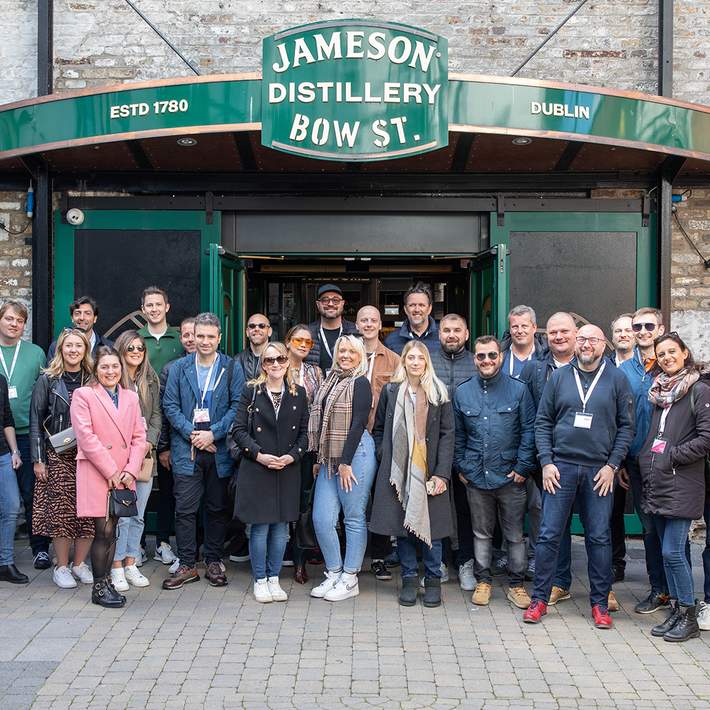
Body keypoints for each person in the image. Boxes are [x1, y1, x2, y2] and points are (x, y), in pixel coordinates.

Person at [523, 324, 634, 629]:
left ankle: (600, 604)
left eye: (593, 340)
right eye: (582, 339)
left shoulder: (617, 379)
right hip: (561, 468)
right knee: (548, 535)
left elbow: (626, 427)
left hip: (599, 470)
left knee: (599, 537)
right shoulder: (558, 377)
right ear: (576, 343)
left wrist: (612, 465)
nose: (586, 344)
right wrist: (546, 462)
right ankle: (540, 599)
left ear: (603, 345)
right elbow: (542, 421)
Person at [162, 312, 244, 590]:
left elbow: (237, 407)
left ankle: (213, 559)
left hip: (218, 450)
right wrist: (193, 435)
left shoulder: (231, 368)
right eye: (200, 336)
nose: (205, 341)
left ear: (219, 338)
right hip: (187, 450)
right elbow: (170, 406)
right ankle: (186, 563)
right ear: (192, 337)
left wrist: (214, 433)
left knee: (217, 507)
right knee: (185, 509)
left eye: (211, 336)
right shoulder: (178, 368)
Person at [454, 335, 536, 609]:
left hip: (511, 476)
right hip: (476, 476)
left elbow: (529, 430)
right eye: (481, 356)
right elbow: (458, 435)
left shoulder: (519, 390)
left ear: (500, 357)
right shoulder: (463, 391)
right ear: (474, 358)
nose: (486, 361)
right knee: (481, 533)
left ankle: (516, 584)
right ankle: (483, 581)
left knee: (514, 534)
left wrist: (523, 467)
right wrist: (462, 467)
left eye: (491, 355)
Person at [370, 341, 454, 607]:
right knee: (403, 529)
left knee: (433, 531)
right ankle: (407, 578)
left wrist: (442, 474)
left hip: (430, 471)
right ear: (404, 361)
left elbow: (447, 436)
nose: (415, 362)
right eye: (411, 357)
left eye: (420, 358)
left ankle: (431, 581)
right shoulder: (391, 391)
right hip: (398, 472)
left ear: (427, 362)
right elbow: (379, 427)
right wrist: (386, 456)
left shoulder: (440, 392)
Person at [638, 333, 710, 642]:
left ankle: (688, 616)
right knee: (669, 553)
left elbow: (706, 438)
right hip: (661, 480)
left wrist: (672, 456)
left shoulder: (699, 390)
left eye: (672, 352)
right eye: (661, 353)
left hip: (683, 482)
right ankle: (680, 612)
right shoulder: (660, 392)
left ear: (684, 353)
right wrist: (647, 459)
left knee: (673, 551)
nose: (667, 357)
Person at [233, 342, 309, 602]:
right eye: (269, 360)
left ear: (288, 361)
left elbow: (304, 435)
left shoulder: (299, 394)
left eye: (280, 359)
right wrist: (259, 455)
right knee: (260, 527)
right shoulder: (251, 391)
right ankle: (260, 579)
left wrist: (291, 456)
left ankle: (275, 578)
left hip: (287, 468)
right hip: (258, 467)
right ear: (262, 365)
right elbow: (239, 430)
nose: (275, 364)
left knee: (281, 528)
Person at [70, 346, 146, 607]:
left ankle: (107, 582)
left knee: (113, 530)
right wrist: (111, 471)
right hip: (98, 471)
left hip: (123, 474)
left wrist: (130, 470)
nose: (111, 371)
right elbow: (86, 437)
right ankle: (100, 587)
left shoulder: (131, 397)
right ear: (95, 369)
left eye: (115, 366)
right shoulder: (83, 395)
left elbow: (139, 437)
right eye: (105, 367)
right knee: (102, 531)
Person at [308, 334, 375, 601]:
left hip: (355, 454)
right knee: (321, 518)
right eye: (342, 350)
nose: (345, 355)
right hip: (328, 458)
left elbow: (358, 423)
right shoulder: (330, 380)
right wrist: (319, 458)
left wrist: (345, 462)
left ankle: (350, 577)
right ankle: (334, 572)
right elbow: (323, 423)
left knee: (353, 517)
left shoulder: (361, 383)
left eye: (351, 352)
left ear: (360, 356)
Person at [519, 312, 577, 604]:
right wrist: (538, 460)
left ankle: (605, 587)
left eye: (564, 331)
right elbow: (529, 418)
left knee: (598, 526)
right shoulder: (534, 370)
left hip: (589, 459)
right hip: (549, 459)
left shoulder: (594, 366)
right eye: (553, 332)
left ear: (576, 334)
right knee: (555, 523)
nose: (558, 337)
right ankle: (560, 581)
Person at [30, 328, 95, 589]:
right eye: (68, 346)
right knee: (62, 512)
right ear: (60, 349)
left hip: (89, 456)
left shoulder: (92, 378)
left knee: (88, 513)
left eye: (78, 346)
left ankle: (79, 564)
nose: (73, 350)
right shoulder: (47, 379)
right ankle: (62, 566)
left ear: (85, 350)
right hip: (58, 455)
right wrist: (38, 459)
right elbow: (36, 419)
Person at [619, 307, 670, 614]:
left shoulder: (670, 366)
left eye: (648, 325)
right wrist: (624, 461)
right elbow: (622, 420)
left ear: (660, 327)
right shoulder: (624, 371)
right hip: (638, 463)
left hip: (668, 463)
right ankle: (659, 589)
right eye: (637, 326)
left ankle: (680, 592)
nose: (642, 331)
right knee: (649, 528)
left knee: (672, 529)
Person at [109, 331, 161, 592]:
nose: (136, 352)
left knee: (138, 515)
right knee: (122, 515)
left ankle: (131, 562)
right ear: (121, 349)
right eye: (131, 348)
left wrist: (149, 442)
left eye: (140, 348)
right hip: (119, 456)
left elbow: (156, 417)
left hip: (144, 456)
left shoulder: (150, 379)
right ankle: (116, 565)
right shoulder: (112, 380)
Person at [429, 313, 476, 591]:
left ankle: (466, 562)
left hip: (469, 448)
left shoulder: (477, 362)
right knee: (438, 507)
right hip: (435, 448)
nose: (451, 335)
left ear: (466, 334)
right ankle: (441, 562)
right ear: (439, 333)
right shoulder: (429, 362)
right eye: (446, 330)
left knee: (466, 508)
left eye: (457, 330)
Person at [0, 300, 49, 569]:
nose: (14, 324)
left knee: (33, 493)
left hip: (28, 433)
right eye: (9, 319)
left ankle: (39, 547)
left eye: (19, 321)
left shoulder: (36, 353)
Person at [355, 305, 399, 582]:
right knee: (355, 500)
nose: (368, 324)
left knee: (379, 499)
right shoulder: (347, 354)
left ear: (380, 323)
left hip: (378, 436)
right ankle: (355, 558)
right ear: (356, 324)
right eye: (364, 320)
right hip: (352, 439)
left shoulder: (393, 360)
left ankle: (380, 557)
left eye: (373, 320)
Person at [154, 317, 196, 566]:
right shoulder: (172, 368)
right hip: (176, 444)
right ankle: (163, 542)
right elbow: (165, 409)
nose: (190, 339)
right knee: (170, 496)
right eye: (186, 335)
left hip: (208, 444)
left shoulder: (222, 366)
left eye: (195, 334)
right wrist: (164, 446)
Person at [284, 324, 323, 584]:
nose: (303, 345)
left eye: (308, 342)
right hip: (280, 448)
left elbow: (321, 410)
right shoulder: (275, 365)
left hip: (307, 447)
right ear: (288, 342)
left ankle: (300, 560)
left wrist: (319, 452)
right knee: (282, 502)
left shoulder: (315, 372)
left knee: (303, 505)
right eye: (298, 340)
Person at [608, 312, 636, 589]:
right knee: (612, 512)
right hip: (613, 453)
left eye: (628, 330)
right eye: (618, 331)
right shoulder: (605, 368)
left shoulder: (649, 369)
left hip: (643, 451)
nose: (624, 335)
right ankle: (616, 562)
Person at [0, 372, 28, 584]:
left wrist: (15, 451)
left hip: (2, 454)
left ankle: (5, 563)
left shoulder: (0, 379)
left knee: (11, 506)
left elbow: (7, 418)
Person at [306, 284, 358, 374]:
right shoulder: (308, 333)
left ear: (342, 303)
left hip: (348, 386)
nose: (330, 304)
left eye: (335, 300)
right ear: (318, 304)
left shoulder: (355, 331)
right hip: (316, 387)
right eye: (325, 300)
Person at [46, 296, 113, 361]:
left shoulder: (109, 347)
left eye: (87, 313)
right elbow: (50, 371)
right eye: (77, 313)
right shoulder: (56, 347)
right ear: (72, 318)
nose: (82, 318)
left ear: (95, 318)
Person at [138, 286, 184, 376]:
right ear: (143, 309)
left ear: (167, 307)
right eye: (149, 305)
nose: (154, 309)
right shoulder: (135, 339)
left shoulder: (180, 339)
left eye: (158, 304)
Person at [384, 282, 439, 355]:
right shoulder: (391, 340)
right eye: (412, 305)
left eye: (421, 305)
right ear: (405, 309)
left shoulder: (442, 337)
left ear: (429, 309)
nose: (417, 310)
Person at [501, 305, 546, 380]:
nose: (520, 331)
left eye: (524, 326)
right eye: (515, 327)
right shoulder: (498, 355)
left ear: (534, 328)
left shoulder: (546, 355)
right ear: (510, 329)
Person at [237, 313, 272, 382]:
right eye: (252, 326)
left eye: (262, 326)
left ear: (269, 331)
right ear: (247, 332)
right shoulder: (237, 361)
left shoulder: (279, 359)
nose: (256, 329)